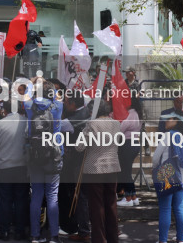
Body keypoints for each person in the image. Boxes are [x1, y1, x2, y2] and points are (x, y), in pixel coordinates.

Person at [75, 99, 121, 243]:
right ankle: (113, 237)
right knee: (111, 204)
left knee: (96, 206)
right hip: (112, 167)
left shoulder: (91, 124)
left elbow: (79, 146)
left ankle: (99, 239)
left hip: (94, 168)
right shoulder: (116, 123)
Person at [25, 78, 63, 243]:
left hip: (34, 155)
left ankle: (35, 235)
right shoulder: (58, 107)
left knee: (36, 196)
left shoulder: (29, 107)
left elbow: (26, 96)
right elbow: (58, 97)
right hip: (53, 155)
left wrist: (32, 82)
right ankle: (54, 236)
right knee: (52, 196)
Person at [153, 111, 183, 243]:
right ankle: (181, 240)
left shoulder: (167, 136)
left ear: (177, 121)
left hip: (167, 174)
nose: (165, 121)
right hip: (182, 176)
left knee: (165, 208)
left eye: (169, 119)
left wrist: (155, 169)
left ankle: (163, 240)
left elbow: (155, 158)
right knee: (180, 208)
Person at [0, 101, 30, 241]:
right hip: (22, 166)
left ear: (5, 110)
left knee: (4, 201)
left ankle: (5, 231)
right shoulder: (26, 122)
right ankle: (20, 231)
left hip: (4, 166)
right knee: (21, 199)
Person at [59, 92, 91, 241]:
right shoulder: (88, 112)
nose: (64, 104)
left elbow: (56, 126)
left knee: (80, 196)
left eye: (66, 102)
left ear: (73, 103)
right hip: (87, 160)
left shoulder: (70, 121)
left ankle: (83, 230)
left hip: (77, 161)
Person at [116, 97, 142, 207]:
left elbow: (120, 129)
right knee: (128, 172)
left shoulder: (130, 114)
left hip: (127, 144)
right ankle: (133, 196)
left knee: (125, 173)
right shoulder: (137, 114)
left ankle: (128, 198)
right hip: (135, 143)